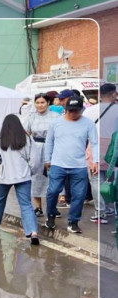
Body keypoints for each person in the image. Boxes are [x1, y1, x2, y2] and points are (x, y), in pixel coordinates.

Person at [44, 95, 98, 234]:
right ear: (66, 109)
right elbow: (49, 141)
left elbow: (94, 143)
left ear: (81, 109)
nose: (73, 113)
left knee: (79, 195)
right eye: (70, 110)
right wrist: (47, 159)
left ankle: (73, 221)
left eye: (76, 111)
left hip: (79, 165)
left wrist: (95, 161)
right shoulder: (56, 123)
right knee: (53, 191)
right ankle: (50, 216)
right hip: (57, 164)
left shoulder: (88, 124)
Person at [0, 114, 39, 245]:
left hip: (5, 176)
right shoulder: (27, 139)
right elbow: (35, 160)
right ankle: (33, 232)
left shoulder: (1, 140)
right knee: (26, 204)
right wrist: (29, 171)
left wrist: (2, 163)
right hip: (23, 175)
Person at [83, 82, 118, 224]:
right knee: (112, 181)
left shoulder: (90, 110)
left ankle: (100, 212)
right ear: (114, 94)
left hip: (95, 146)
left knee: (97, 180)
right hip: (114, 147)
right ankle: (112, 210)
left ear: (99, 95)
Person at [24, 93, 60, 218]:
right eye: (37, 102)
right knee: (36, 176)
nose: (40, 105)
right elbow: (25, 132)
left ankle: (53, 207)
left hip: (52, 148)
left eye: (42, 102)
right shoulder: (31, 116)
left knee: (53, 178)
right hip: (35, 148)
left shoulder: (56, 116)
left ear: (48, 103)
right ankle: (38, 207)